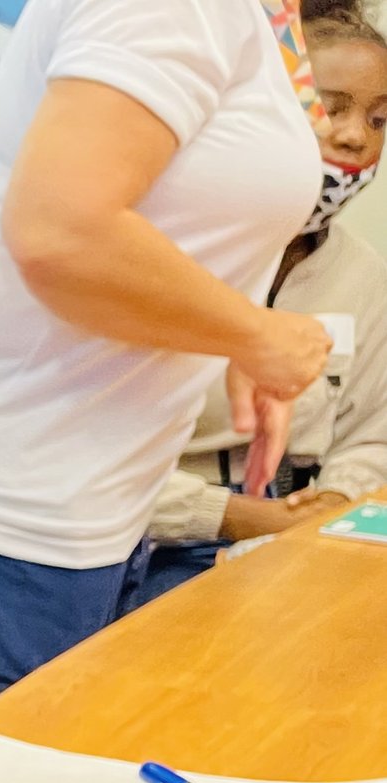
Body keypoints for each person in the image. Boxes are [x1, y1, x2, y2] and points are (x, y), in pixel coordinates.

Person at [0, 0, 333, 775]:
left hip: (65, 480)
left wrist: (235, 333)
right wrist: (260, 336)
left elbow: (174, 201)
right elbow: (62, 231)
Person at [134, 0, 387, 605]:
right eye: (331, 107)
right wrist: (235, 519)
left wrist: (332, 501)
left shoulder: (365, 275)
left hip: (300, 539)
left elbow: (371, 432)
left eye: (380, 119)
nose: (354, 134)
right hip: (148, 546)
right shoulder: (160, 256)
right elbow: (93, 464)